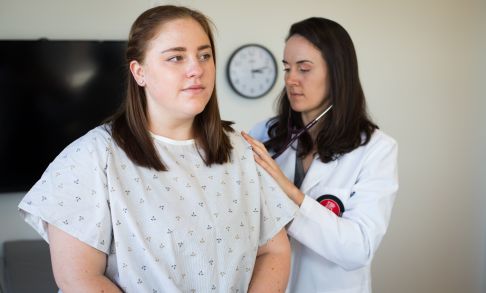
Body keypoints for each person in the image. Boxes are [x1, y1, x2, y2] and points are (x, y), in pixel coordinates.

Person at [18, 5, 297, 293]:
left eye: (204, 55)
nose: (196, 69)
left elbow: (273, 252)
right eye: (176, 58)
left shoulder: (239, 151)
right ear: (139, 73)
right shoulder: (90, 158)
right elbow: (79, 278)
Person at [242, 17, 399, 293]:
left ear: (337, 73)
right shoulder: (266, 134)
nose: (291, 79)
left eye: (304, 69)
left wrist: (289, 192)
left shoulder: (376, 150)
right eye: (287, 68)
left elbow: (358, 249)